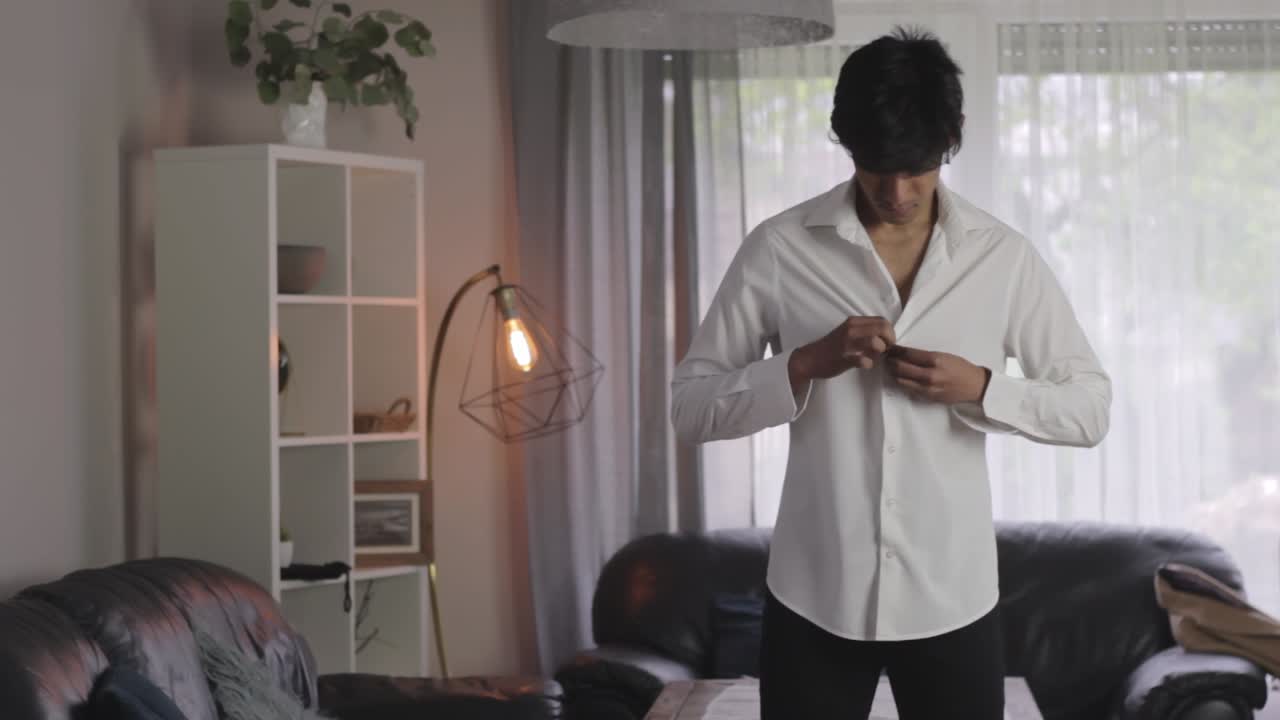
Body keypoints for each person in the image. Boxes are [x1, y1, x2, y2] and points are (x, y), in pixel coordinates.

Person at [669, 26, 1112, 720]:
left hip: (954, 597)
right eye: (878, 168)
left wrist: (983, 389)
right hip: (814, 594)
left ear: (953, 137)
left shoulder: (1003, 258)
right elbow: (689, 406)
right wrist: (806, 363)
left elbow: (1090, 409)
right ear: (846, 145)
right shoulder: (780, 250)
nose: (899, 193)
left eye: (920, 167)